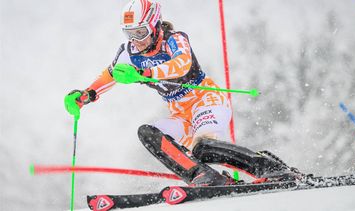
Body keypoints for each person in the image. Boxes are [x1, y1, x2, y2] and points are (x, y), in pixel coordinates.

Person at [64, 0, 300, 186]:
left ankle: (270, 168)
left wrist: (144, 73)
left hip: (206, 100)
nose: (136, 41)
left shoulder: (174, 40)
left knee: (203, 147)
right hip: (180, 113)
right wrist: (85, 96)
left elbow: (182, 65)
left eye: (140, 32)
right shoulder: (129, 52)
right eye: (129, 34)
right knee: (148, 133)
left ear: (155, 25)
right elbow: (110, 75)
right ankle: (202, 175)